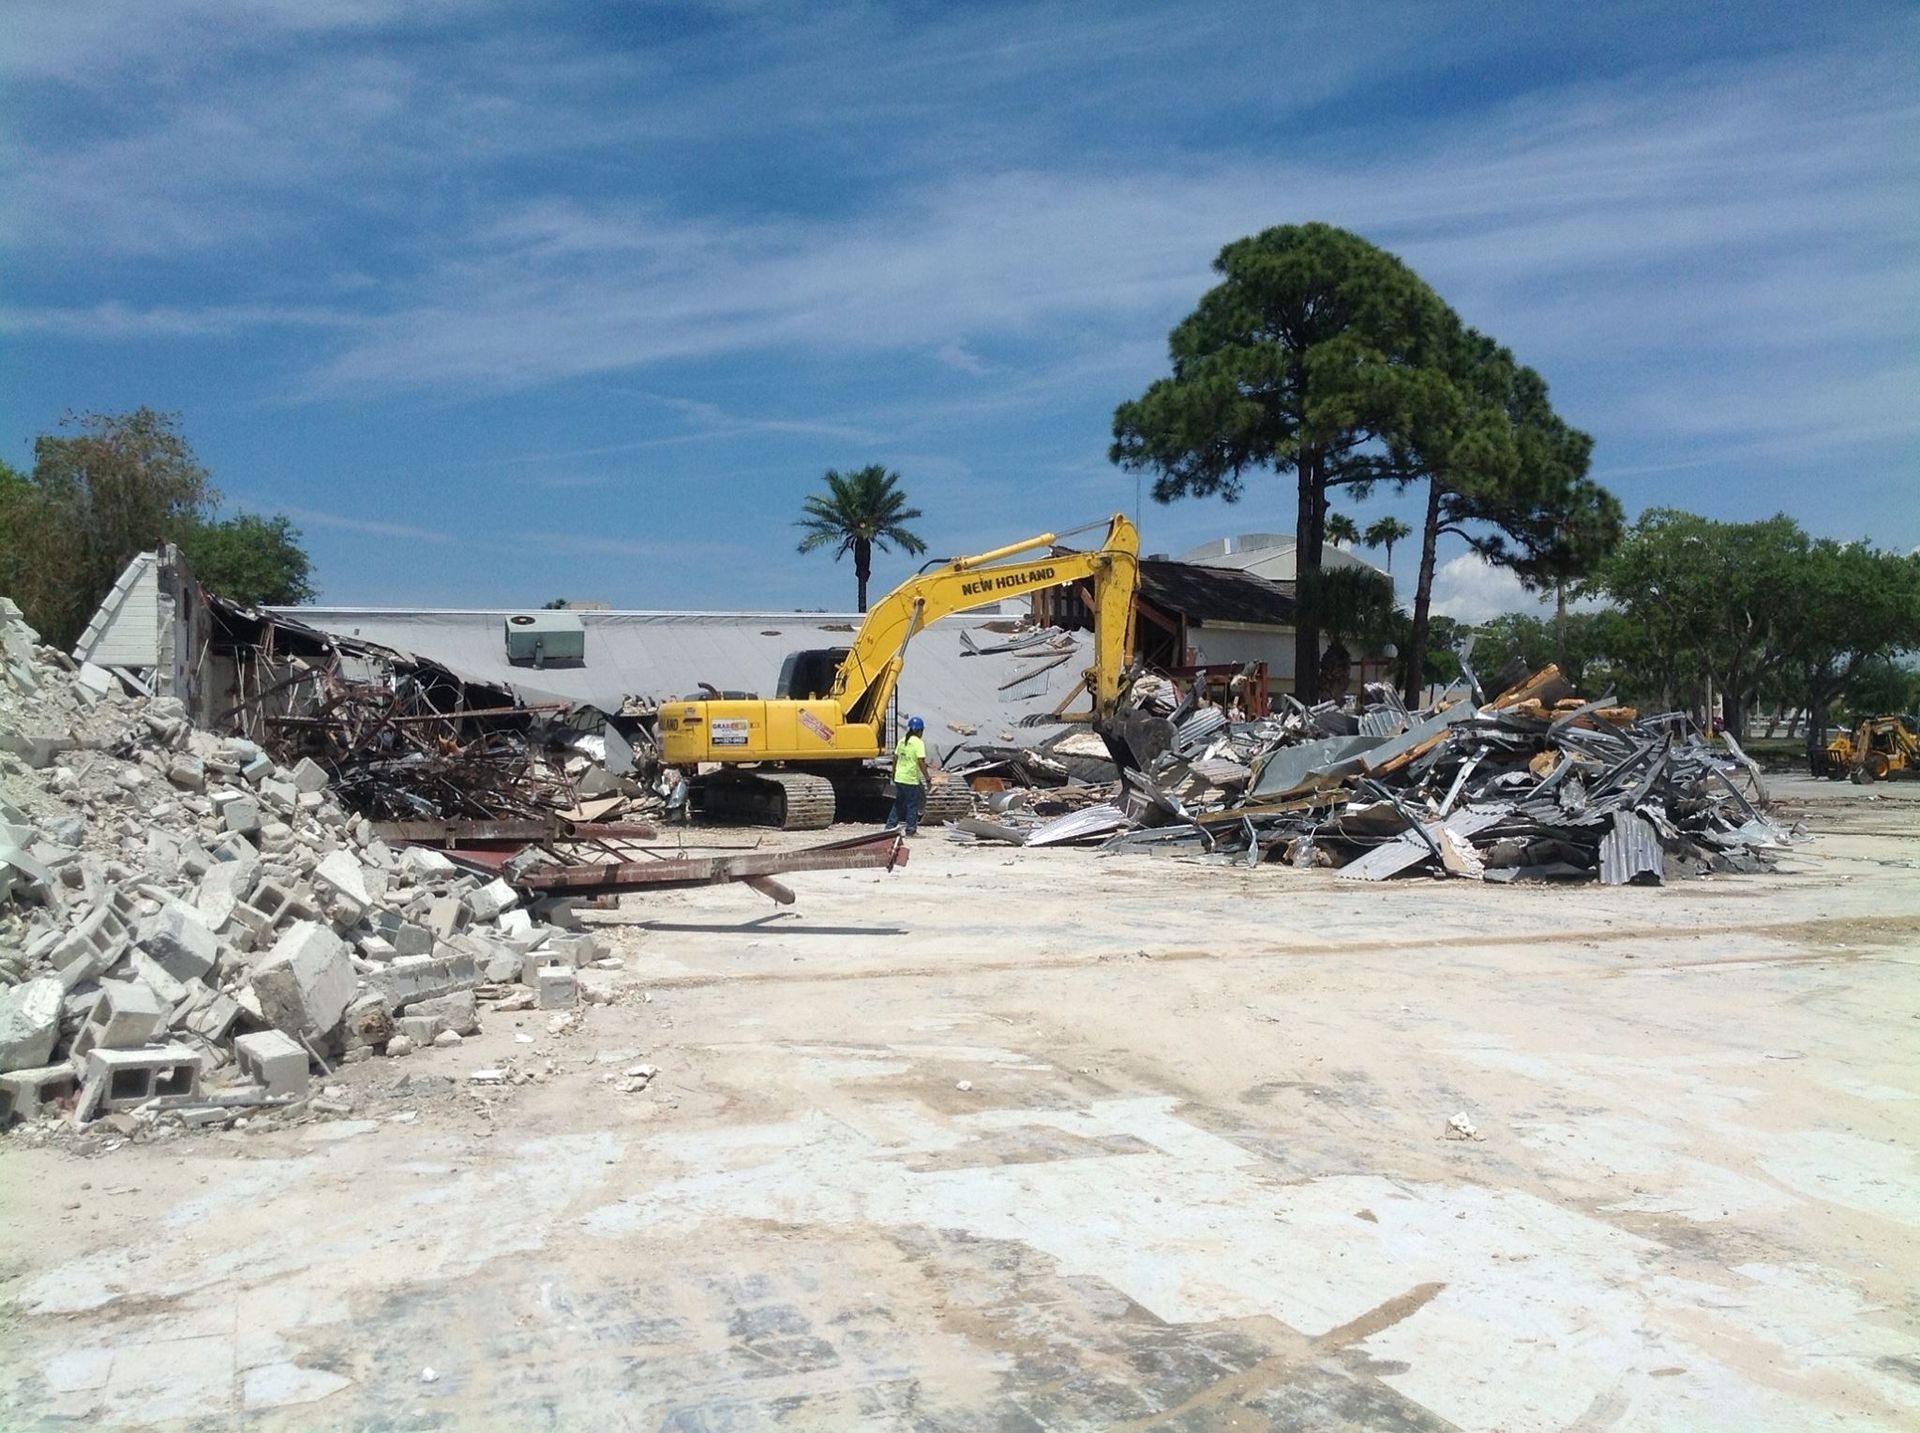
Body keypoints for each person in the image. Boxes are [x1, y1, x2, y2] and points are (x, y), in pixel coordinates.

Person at [884, 715, 934, 835]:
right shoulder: (918, 743)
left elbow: (895, 758)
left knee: (898, 803)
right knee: (912, 805)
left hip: (899, 777)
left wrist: (894, 773)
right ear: (920, 730)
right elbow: (921, 762)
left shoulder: (902, 741)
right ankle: (911, 830)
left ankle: (890, 826)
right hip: (910, 778)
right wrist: (927, 778)